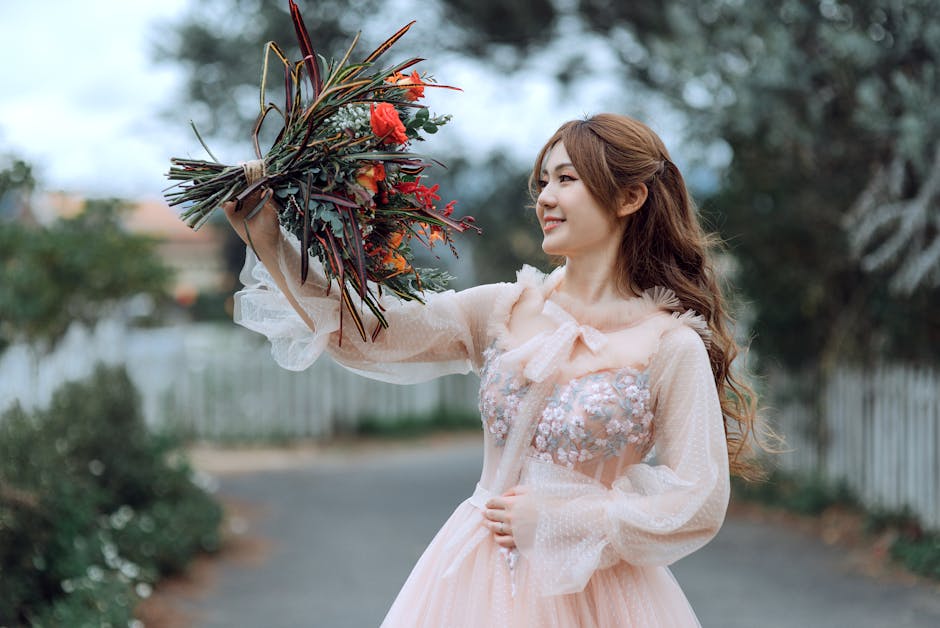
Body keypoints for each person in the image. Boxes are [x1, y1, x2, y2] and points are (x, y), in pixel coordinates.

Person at [224, 113, 760, 627]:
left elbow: (697, 499)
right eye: (543, 181)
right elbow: (367, 335)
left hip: (598, 593)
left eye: (567, 179)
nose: (545, 198)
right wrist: (270, 241)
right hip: (473, 579)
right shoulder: (503, 309)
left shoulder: (671, 345)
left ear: (630, 196)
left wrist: (565, 521)